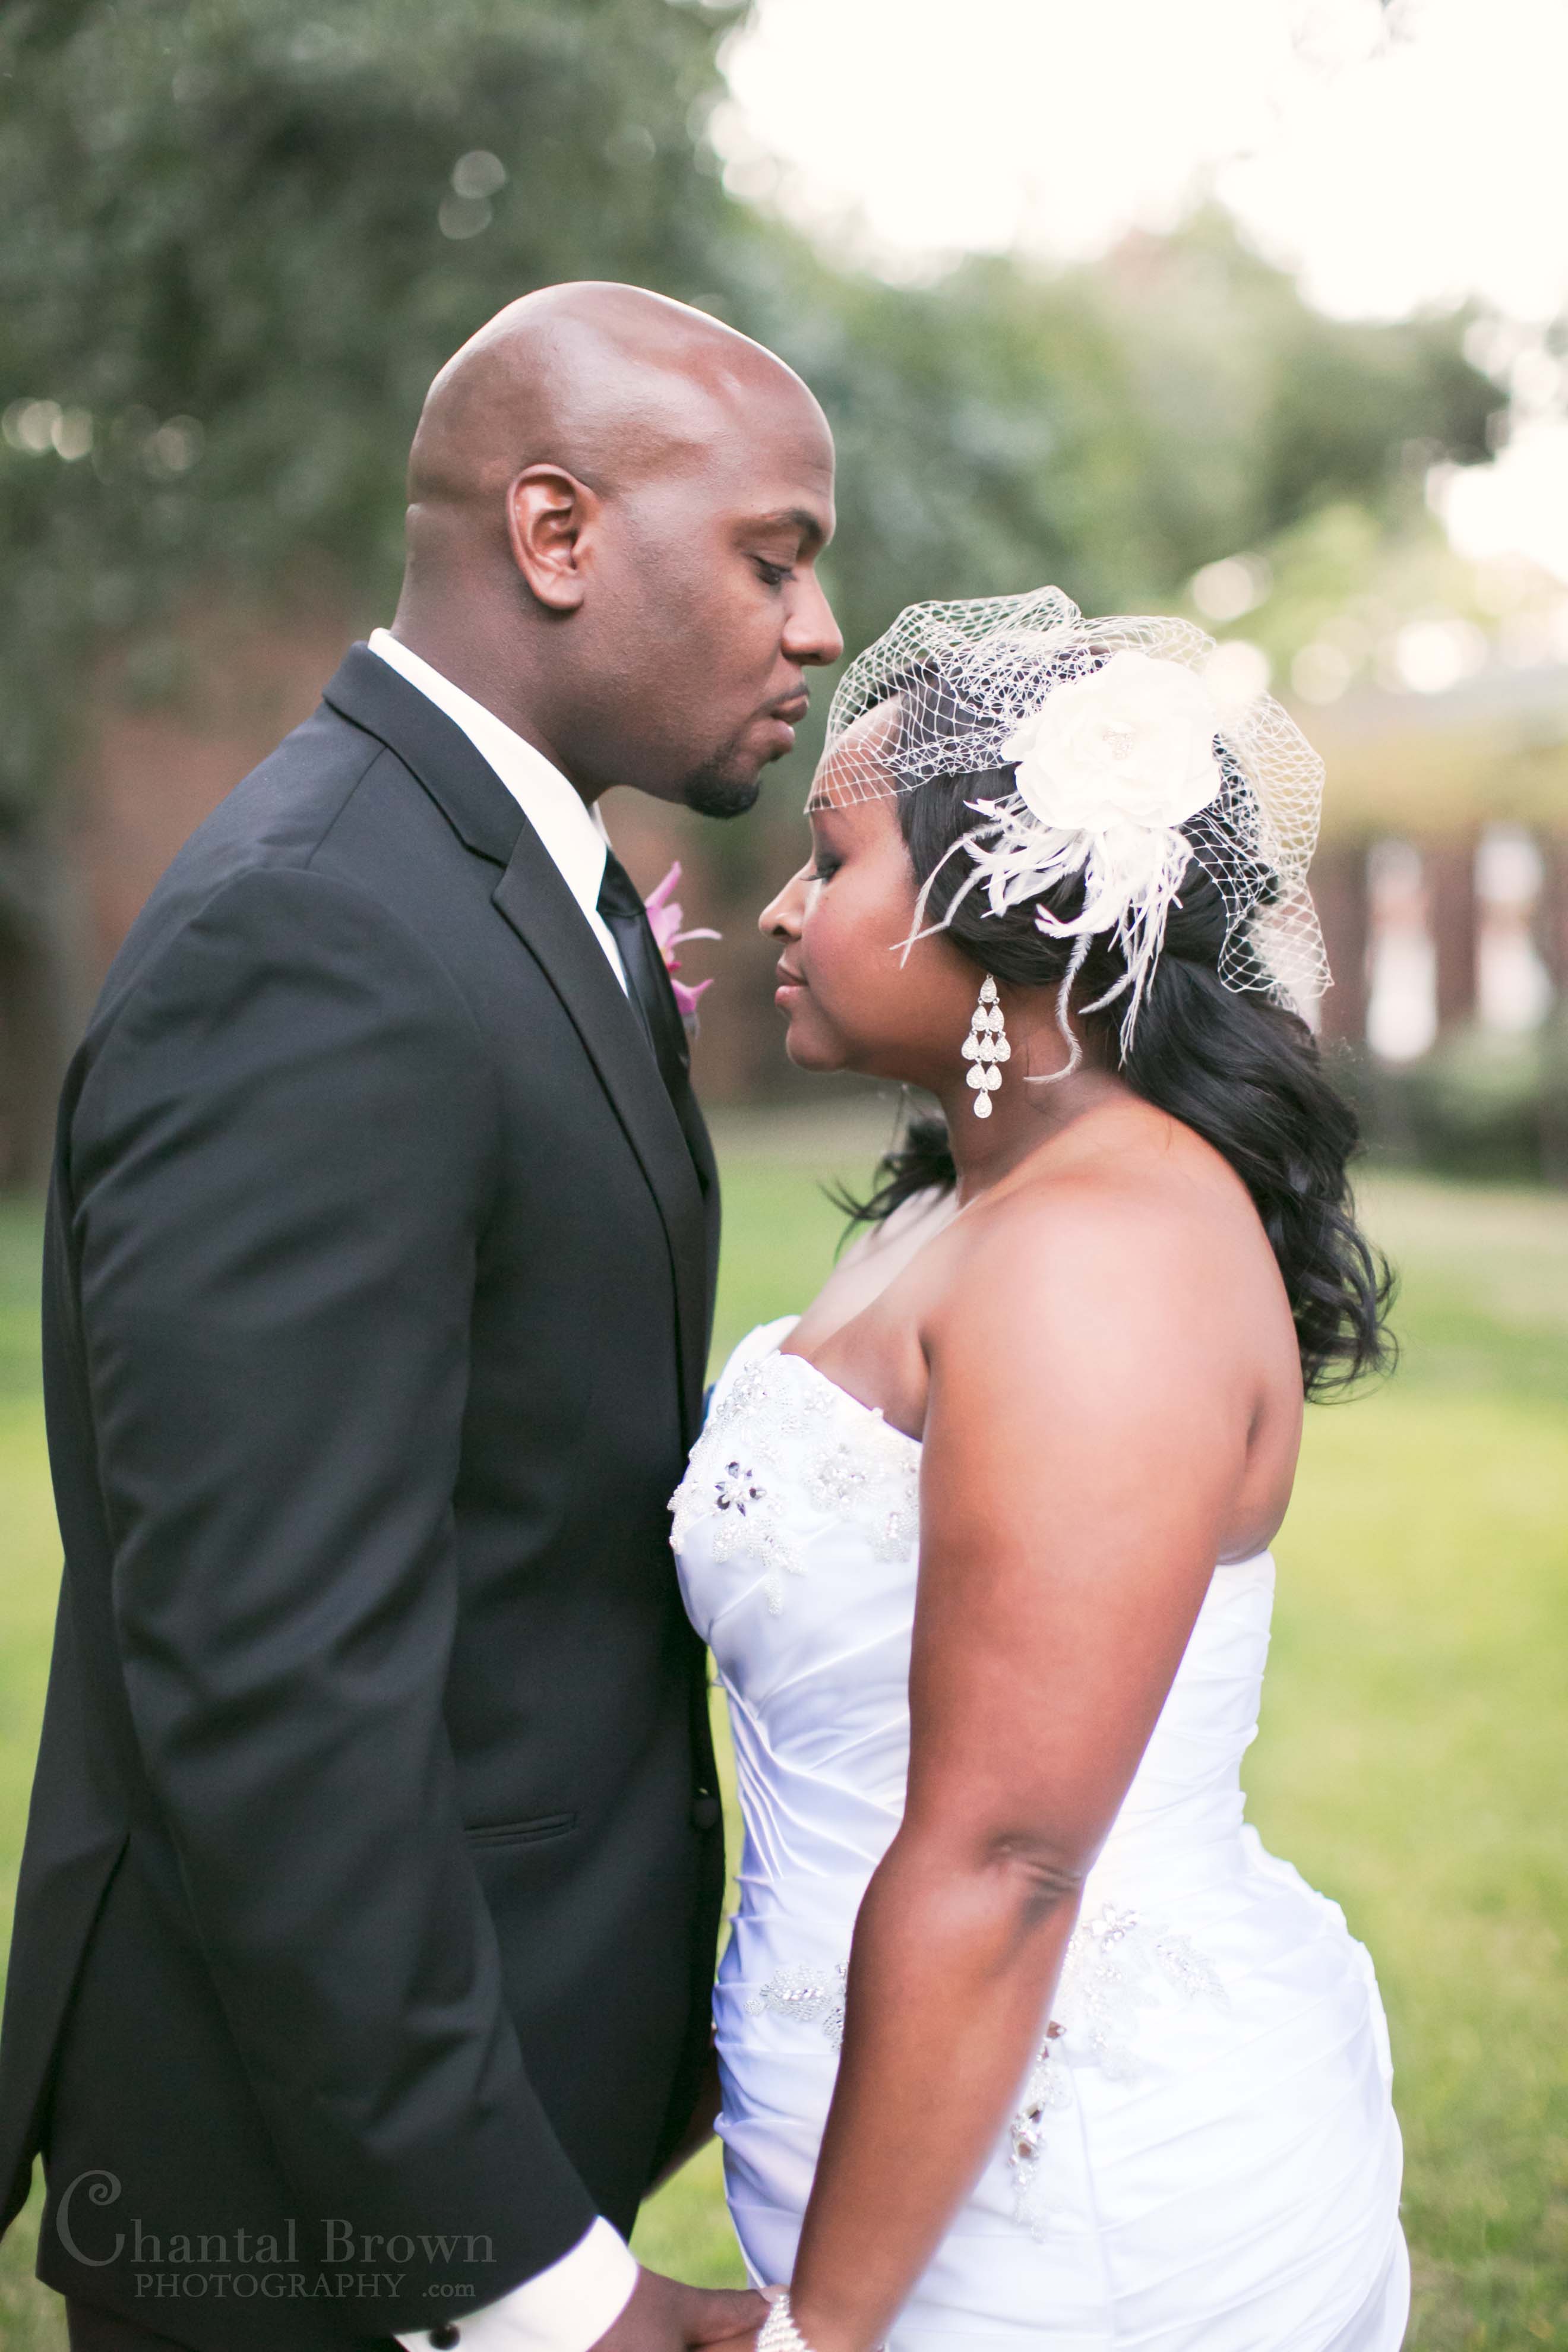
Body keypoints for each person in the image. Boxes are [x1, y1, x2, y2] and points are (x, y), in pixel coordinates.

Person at [0, 281, 841, 2352]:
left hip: (498, 2062)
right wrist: (523, 2278)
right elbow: (272, 1667)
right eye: (774, 556)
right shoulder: (318, 934)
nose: (818, 631)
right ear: (554, 536)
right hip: (313, 2197)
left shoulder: (497, 885)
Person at [672, 588, 1408, 2352]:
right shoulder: (956, 1201)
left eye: (830, 864)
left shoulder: (1105, 1259)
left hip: (1073, 2205)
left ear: (1024, 912)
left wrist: (815, 2332)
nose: (781, 904)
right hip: (893, 2134)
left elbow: (1009, 1852)